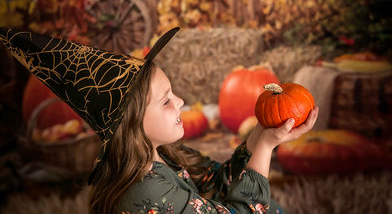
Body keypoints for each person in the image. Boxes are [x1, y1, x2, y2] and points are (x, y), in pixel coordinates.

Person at [0, 27, 318, 214]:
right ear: (132, 122)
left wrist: (261, 136)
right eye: (166, 100)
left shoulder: (160, 154)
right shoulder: (143, 193)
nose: (180, 101)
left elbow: (220, 179)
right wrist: (264, 148)